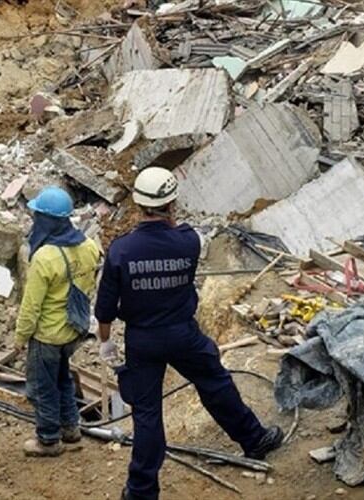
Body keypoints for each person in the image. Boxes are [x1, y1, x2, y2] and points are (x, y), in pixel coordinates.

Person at [94, 168, 284, 500]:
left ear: (139, 206)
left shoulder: (121, 250)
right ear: (171, 205)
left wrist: (106, 341)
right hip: (183, 334)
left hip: (143, 339)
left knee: (147, 413)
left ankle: (141, 491)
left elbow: (106, 305)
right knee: (215, 382)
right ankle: (254, 439)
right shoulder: (188, 241)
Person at [14, 186, 100, 457]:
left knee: (42, 387)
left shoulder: (44, 257)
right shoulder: (88, 247)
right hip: (74, 330)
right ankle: (71, 428)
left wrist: (20, 338)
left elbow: (31, 306)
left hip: (48, 335)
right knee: (63, 378)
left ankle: (48, 439)